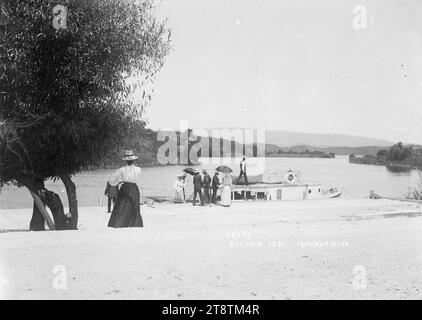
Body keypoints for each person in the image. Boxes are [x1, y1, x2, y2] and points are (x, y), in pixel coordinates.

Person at [107, 150, 143, 228]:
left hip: (125, 187)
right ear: (133, 160)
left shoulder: (121, 170)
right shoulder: (138, 169)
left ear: (126, 161)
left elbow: (112, 181)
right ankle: (134, 224)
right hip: (134, 188)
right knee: (134, 205)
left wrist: (119, 181)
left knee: (122, 205)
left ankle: (120, 223)